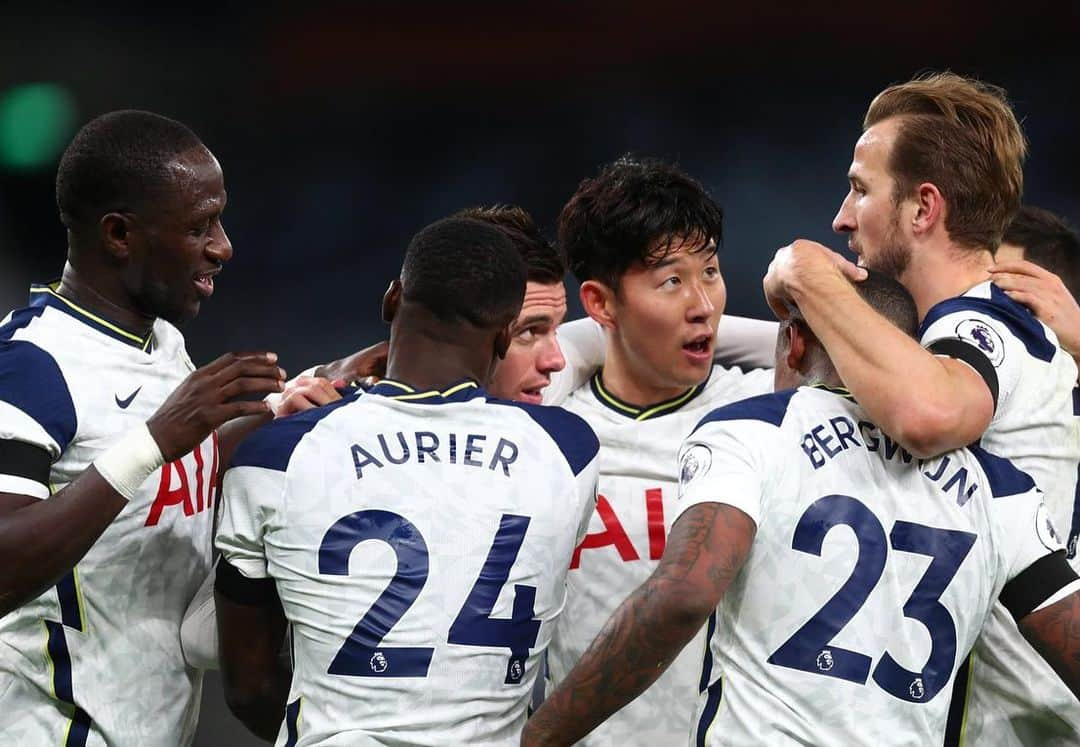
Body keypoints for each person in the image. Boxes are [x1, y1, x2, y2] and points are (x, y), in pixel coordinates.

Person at [524, 272, 1080, 746]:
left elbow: (686, 592)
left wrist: (540, 737)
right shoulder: (1000, 488)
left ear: (793, 344)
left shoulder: (754, 427)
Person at [762, 72, 1080, 744]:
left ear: (923, 209)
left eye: (860, 188)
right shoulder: (1007, 331)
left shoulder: (976, 332)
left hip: (1006, 724)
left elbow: (930, 412)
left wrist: (808, 274)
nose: (841, 218)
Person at [213, 217, 599, 744]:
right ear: (505, 334)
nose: (554, 358)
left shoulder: (279, 452)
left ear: (393, 301)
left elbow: (249, 688)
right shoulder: (569, 451)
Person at [0, 111, 286, 745]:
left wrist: (292, 405)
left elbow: (175, 469)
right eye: (199, 225)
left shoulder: (160, 344)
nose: (223, 245)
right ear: (120, 234)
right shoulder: (30, 365)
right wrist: (154, 440)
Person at [542, 156, 773, 745]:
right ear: (600, 303)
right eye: (671, 281)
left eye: (712, 272)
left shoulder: (762, 417)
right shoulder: (548, 434)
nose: (703, 303)